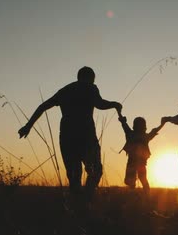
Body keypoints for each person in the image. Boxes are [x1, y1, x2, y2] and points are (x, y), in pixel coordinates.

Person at [18, 66, 122, 197]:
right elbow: (100, 104)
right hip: (86, 137)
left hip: (67, 137)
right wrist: (115, 104)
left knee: (74, 176)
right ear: (90, 78)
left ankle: (76, 206)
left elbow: (43, 106)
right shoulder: (90, 88)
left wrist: (28, 126)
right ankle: (86, 200)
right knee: (96, 170)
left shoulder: (65, 90)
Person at [117, 111, 165, 196]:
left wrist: (119, 112)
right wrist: (162, 124)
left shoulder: (131, 134)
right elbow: (123, 123)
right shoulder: (142, 136)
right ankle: (144, 196)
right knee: (139, 180)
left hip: (135, 162)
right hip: (137, 162)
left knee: (137, 180)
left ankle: (142, 196)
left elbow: (123, 123)